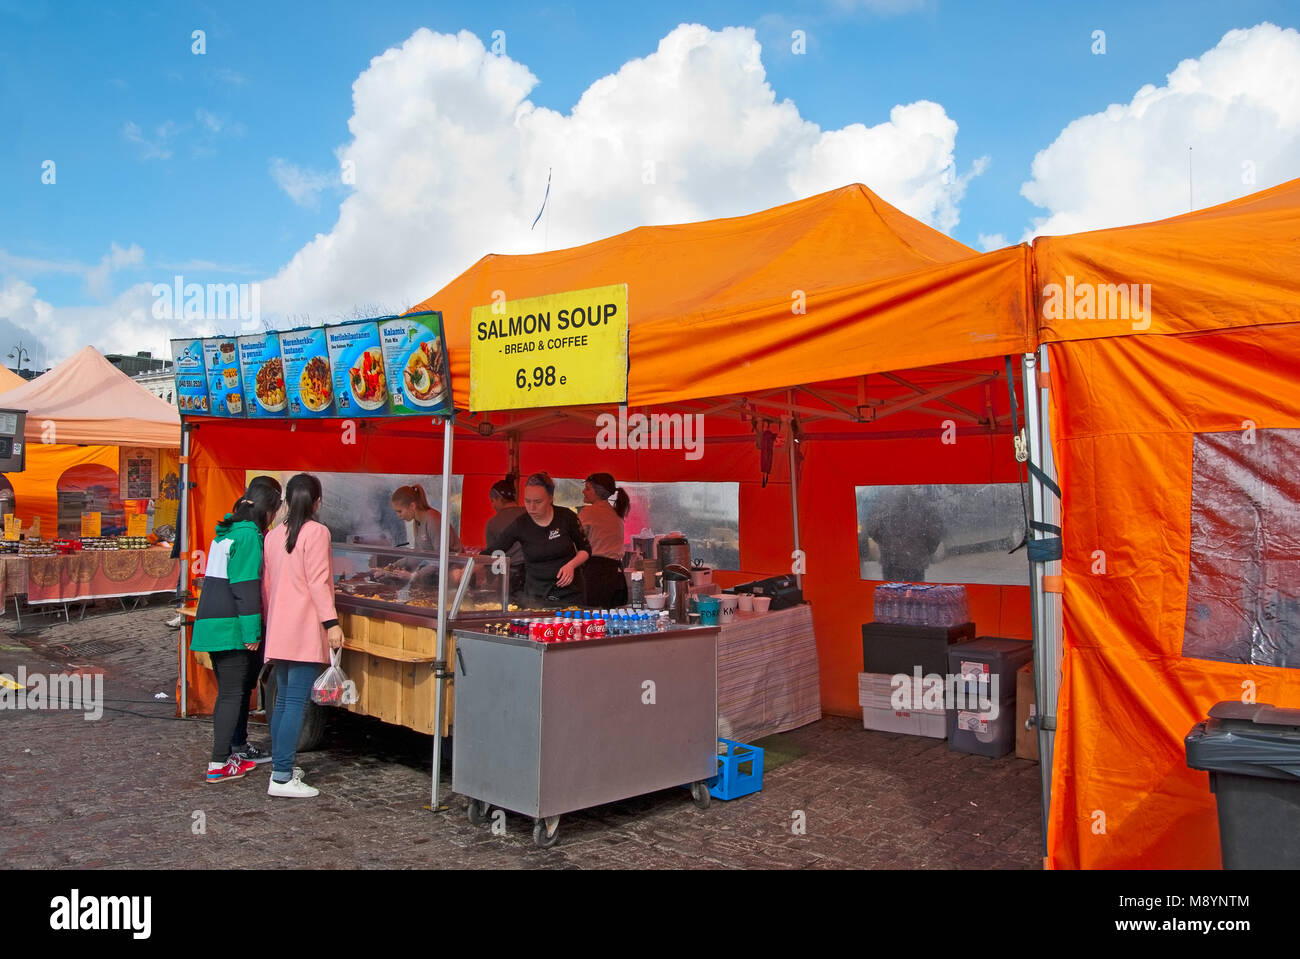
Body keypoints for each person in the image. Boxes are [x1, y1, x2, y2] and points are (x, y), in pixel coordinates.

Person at [190, 479, 282, 784]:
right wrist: (251, 632)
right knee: (232, 693)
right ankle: (218, 762)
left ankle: (237, 750)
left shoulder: (229, 531)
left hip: (214, 623)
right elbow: (245, 587)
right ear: (270, 508)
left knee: (237, 691)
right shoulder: (249, 536)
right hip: (231, 626)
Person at [262, 473, 344, 798]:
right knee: (295, 701)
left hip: (280, 627)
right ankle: (281, 776)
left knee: (284, 700)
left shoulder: (273, 536)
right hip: (304, 626)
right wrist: (331, 623)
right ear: (317, 501)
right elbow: (319, 583)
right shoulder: (318, 532)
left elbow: (267, 587)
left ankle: (280, 767)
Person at [484, 472, 591, 607]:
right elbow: (495, 549)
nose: (532, 507)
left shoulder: (567, 517)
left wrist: (571, 565)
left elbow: (586, 549)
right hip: (536, 597)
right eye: (527, 501)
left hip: (570, 595)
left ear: (550, 498)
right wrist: (469, 566)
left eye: (538, 502)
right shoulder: (520, 524)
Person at [864, 485, 946, 582]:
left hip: (891, 561)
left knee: (891, 593)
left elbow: (872, 526)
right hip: (915, 563)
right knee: (915, 593)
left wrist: (886, 543)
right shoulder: (922, 500)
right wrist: (927, 550)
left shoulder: (884, 499)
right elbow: (935, 530)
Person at [580, 472, 630, 607]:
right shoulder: (616, 513)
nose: (583, 491)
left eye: (588, 488)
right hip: (616, 574)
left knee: (592, 617)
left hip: (594, 573)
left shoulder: (588, 512)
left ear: (598, 492)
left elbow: (578, 541)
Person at [484, 476, 526, 600]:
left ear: (499, 499)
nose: (492, 505)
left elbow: (493, 555)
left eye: (492, 501)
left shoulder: (493, 523)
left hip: (509, 576)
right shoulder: (528, 514)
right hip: (533, 573)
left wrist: (490, 580)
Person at [391, 483, 462, 553]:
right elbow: (418, 556)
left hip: (455, 563)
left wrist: (425, 565)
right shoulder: (417, 522)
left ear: (412, 506)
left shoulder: (433, 520)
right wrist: (394, 564)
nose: (398, 515)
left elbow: (440, 557)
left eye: (400, 511)